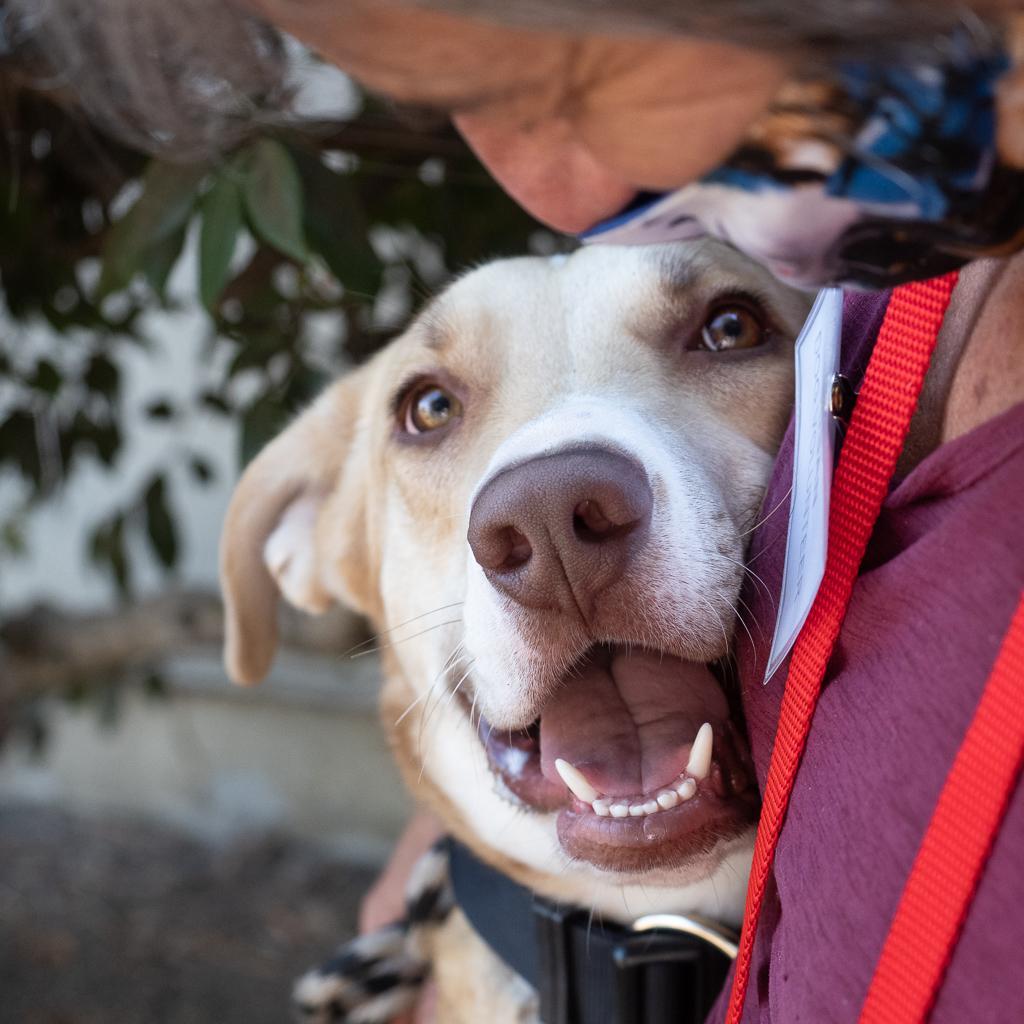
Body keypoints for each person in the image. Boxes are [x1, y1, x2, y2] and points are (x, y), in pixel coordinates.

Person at [15, 2, 1023, 1020]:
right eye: (433, 411)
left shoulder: (892, 272)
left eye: (725, 331)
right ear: (314, 539)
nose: (547, 505)